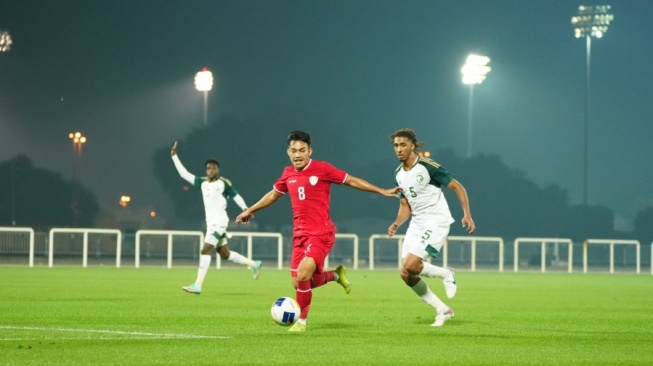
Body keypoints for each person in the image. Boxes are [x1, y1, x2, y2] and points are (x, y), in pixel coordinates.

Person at [236, 130, 399, 333]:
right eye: (294, 150)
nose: (298, 154)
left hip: (321, 233)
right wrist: (250, 210)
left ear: (309, 151)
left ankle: (301, 322)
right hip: (299, 235)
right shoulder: (288, 173)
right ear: (288, 152)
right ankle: (336, 276)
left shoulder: (322, 169)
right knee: (299, 283)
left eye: (302, 150)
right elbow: (273, 195)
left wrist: (381, 190)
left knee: (304, 273)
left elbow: (351, 180)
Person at [387, 128, 475, 327]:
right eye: (396, 146)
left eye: (403, 145)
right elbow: (404, 205)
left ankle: (446, 273)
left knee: (411, 265)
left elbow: (457, 186)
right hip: (417, 223)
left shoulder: (427, 166)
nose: (399, 149)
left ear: (412, 146)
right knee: (406, 274)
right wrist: (396, 223)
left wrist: (467, 214)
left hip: (436, 220)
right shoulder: (398, 174)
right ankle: (443, 310)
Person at [171, 141, 262, 295]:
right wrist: (174, 157)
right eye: (208, 168)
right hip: (211, 224)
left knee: (205, 249)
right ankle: (254, 264)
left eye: (213, 168)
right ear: (206, 171)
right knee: (224, 254)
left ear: (218, 170)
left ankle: (198, 285)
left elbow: (236, 195)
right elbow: (183, 174)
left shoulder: (223, 184)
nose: (210, 170)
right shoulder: (202, 183)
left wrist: (246, 209)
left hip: (219, 223)